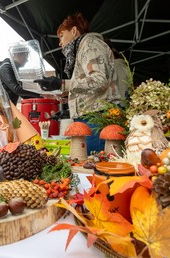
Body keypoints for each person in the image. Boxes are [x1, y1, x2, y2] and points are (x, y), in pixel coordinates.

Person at [34, 13, 123, 154]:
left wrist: (62, 84)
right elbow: (89, 84)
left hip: (98, 118)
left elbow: (99, 81)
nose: (59, 42)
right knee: (89, 165)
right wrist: (68, 94)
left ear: (74, 31)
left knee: (96, 166)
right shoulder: (82, 49)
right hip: (91, 116)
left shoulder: (90, 44)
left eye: (62, 35)